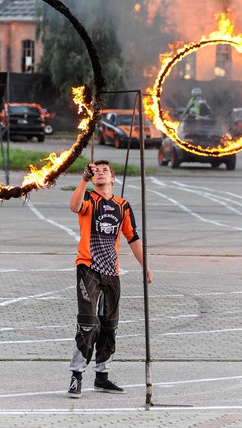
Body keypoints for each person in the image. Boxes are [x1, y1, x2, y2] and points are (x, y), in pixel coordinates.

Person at [67, 160, 152, 398]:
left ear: (113, 179)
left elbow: (133, 237)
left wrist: (145, 266)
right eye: (97, 172)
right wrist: (84, 179)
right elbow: (74, 206)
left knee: (109, 325)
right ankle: (76, 376)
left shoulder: (122, 206)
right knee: (87, 323)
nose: (101, 173)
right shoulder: (90, 199)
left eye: (105, 171)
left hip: (111, 272)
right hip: (88, 268)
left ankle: (102, 377)